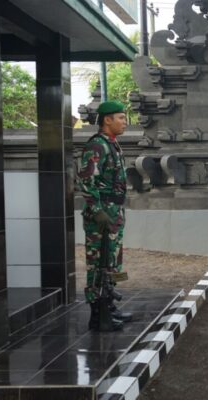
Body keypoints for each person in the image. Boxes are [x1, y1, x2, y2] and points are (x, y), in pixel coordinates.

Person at [78, 100, 132, 331]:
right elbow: (86, 180)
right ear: (107, 120)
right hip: (101, 216)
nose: (124, 122)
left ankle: (109, 308)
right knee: (97, 263)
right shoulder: (97, 145)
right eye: (121, 117)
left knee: (111, 262)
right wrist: (97, 210)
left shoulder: (112, 143)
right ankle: (97, 314)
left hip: (114, 212)